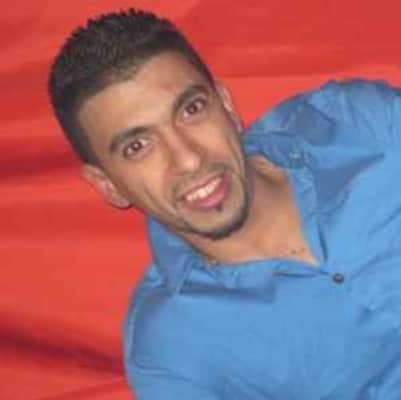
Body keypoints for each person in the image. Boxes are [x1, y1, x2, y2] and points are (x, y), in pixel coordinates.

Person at [48, 8, 401, 400]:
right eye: (138, 146)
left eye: (191, 110)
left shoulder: (358, 126)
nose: (188, 159)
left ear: (227, 107)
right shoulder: (171, 354)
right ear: (109, 186)